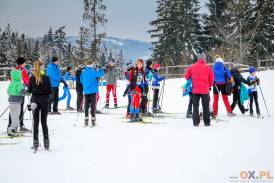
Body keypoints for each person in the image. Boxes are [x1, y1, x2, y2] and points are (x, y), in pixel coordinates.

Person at [185, 52, 214, 126]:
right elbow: (212, 80)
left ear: (198, 58)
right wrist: (208, 86)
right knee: (206, 107)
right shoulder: (208, 68)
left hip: (195, 90)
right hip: (205, 90)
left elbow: (186, 77)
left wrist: (192, 79)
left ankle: (196, 122)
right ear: (204, 58)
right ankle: (207, 122)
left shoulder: (192, 67)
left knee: (195, 106)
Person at [28, 60, 51, 151]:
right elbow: (50, 91)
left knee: (36, 122)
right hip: (44, 101)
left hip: (35, 101)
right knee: (44, 122)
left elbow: (29, 90)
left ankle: (35, 141)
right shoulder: (46, 78)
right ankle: (46, 141)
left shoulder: (32, 78)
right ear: (42, 67)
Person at [7, 57, 30, 132]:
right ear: (22, 63)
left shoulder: (14, 70)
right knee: (19, 109)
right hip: (20, 91)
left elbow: (12, 79)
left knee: (13, 110)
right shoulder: (22, 71)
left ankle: (10, 125)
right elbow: (26, 81)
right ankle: (19, 125)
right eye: (24, 63)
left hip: (13, 92)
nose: (25, 64)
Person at [80, 61, 104, 127]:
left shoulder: (83, 72)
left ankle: (86, 117)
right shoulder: (93, 72)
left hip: (86, 91)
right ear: (91, 65)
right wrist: (100, 68)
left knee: (86, 105)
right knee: (93, 105)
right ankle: (93, 118)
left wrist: (86, 84)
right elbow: (101, 73)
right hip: (93, 91)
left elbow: (81, 80)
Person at [6, 68, 26, 136]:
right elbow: (21, 92)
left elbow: (8, 91)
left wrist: (12, 93)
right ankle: (12, 129)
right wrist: (26, 92)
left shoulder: (11, 83)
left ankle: (11, 129)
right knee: (16, 117)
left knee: (13, 115)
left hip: (11, 102)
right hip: (17, 102)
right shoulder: (19, 83)